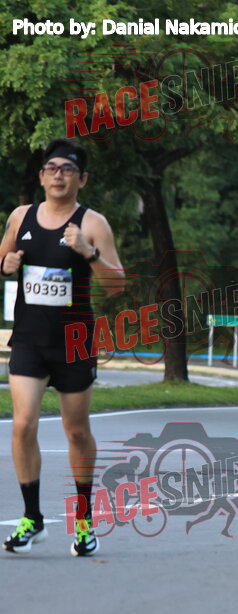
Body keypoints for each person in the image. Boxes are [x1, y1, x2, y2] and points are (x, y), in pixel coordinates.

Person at [1, 138, 125, 556]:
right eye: (52, 168)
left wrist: (88, 252)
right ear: (41, 176)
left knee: (76, 430)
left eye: (67, 169)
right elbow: (2, 260)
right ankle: (32, 519)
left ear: (81, 179)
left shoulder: (93, 223)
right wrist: (5, 264)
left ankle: (84, 520)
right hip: (29, 341)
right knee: (22, 425)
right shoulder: (21, 217)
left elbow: (117, 284)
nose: (59, 175)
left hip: (74, 343)